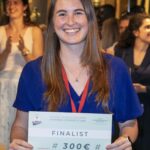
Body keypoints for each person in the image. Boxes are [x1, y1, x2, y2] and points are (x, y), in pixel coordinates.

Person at [10, 0, 143, 150]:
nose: (70, 21)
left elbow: (129, 123)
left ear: (90, 19)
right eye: (62, 14)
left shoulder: (116, 68)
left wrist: (125, 139)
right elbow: (21, 124)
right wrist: (18, 141)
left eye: (78, 13)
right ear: (52, 23)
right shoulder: (33, 72)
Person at [0, 0, 43, 147]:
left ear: (25, 6)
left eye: (16, 2)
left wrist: (24, 49)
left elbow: (39, 67)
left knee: (22, 130)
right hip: (2, 89)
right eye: (8, 3)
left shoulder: (35, 31)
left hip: (26, 87)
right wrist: (6, 50)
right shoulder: (0, 31)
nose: (11, 6)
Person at [115, 13, 150, 150]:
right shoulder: (120, 51)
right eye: (147, 27)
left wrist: (144, 89)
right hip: (125, 110)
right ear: (136, 32)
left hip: (148, 109)